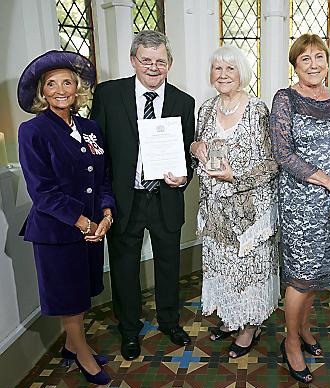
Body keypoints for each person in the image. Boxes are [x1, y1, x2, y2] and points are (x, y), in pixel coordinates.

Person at [91, 30, 195, 361]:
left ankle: (169, 321)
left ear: (170, 64)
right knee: (124, 268)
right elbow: (99, 153)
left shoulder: (183, 101)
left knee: (168, 265)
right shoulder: (108, 95)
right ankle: (129, 330)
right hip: (126, 199)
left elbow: (187, 155)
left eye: (160, 61)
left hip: (165, 197)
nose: (153, 67)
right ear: (133, 60)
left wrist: (185, 177)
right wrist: (104, 201)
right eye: (146, 60)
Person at [17, 50, 115, 385]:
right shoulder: (33, 131)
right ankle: (83, 354)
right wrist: (83, 223)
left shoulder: (90, 127)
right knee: (69, 298)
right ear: (42, 91)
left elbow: (102, 176)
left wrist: (105, 212)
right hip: (57, 232)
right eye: (52, 84)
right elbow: (42, 192)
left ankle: (72, 346)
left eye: (68, 82)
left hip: (90, 228)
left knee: (82, 293)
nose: (61, 89)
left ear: (78, 89)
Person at [270, 33, 330, 384]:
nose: (313, 64)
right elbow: (283, 153)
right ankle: (290, 341)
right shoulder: (285, 99)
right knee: (301, 277)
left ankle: (304, 329)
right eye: (304, 59)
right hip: (299, 204)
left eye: (319, 57)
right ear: (295, 65)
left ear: (327, 62)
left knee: (317, 276)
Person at [190, 45, 279, 358]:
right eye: (218, 68)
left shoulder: (258, 110)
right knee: (222, 269)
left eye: (230, 68)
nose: (223, 75)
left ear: (242, 73)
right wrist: (195, 147)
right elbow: (198, 146)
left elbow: (272, 163)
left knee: (247, 271)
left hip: (249, 213)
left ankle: (250, 327)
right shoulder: (205, 109)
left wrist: (236, 177)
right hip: (214, 210)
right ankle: (230, 317)